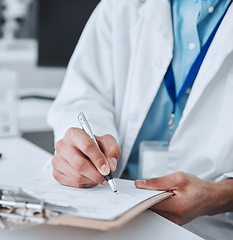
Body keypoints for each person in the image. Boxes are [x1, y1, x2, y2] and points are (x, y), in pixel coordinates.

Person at [47, 0, 233, 239]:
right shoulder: (120, 6)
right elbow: (82, 96)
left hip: (210, 228)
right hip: (108, 212)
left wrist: (218, 196)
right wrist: (85, 148)